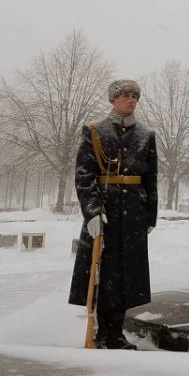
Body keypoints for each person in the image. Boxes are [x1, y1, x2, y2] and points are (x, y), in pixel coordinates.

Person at [69, 80, 158, 349]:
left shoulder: (146, 134)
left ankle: (115, 331)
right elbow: (84, 175)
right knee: (103, 273)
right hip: (105, 212)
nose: (131, 100)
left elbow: (150, 179)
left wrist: (149, 216)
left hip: (133, 215)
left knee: (126, 274)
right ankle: (102, 330)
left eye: (134, 96)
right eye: (126, 96)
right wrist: (93, 212)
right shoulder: (95, 130)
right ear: (113, 100)